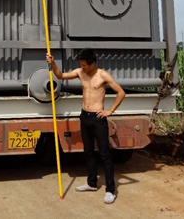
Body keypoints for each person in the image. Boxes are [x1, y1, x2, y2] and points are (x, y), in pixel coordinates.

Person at [46, 49, 126, 204]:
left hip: (98, 118)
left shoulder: (103, 75)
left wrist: (110, 111)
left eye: (84, 65)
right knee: (88, 152)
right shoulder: (79, 72)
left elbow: (121, 92)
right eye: (81, 64)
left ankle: (110, 190)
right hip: (84, 116)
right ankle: (91, 183)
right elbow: (60, 75)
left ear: (92, 63)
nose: (82, 67)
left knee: (104, 154)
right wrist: (53, 63)